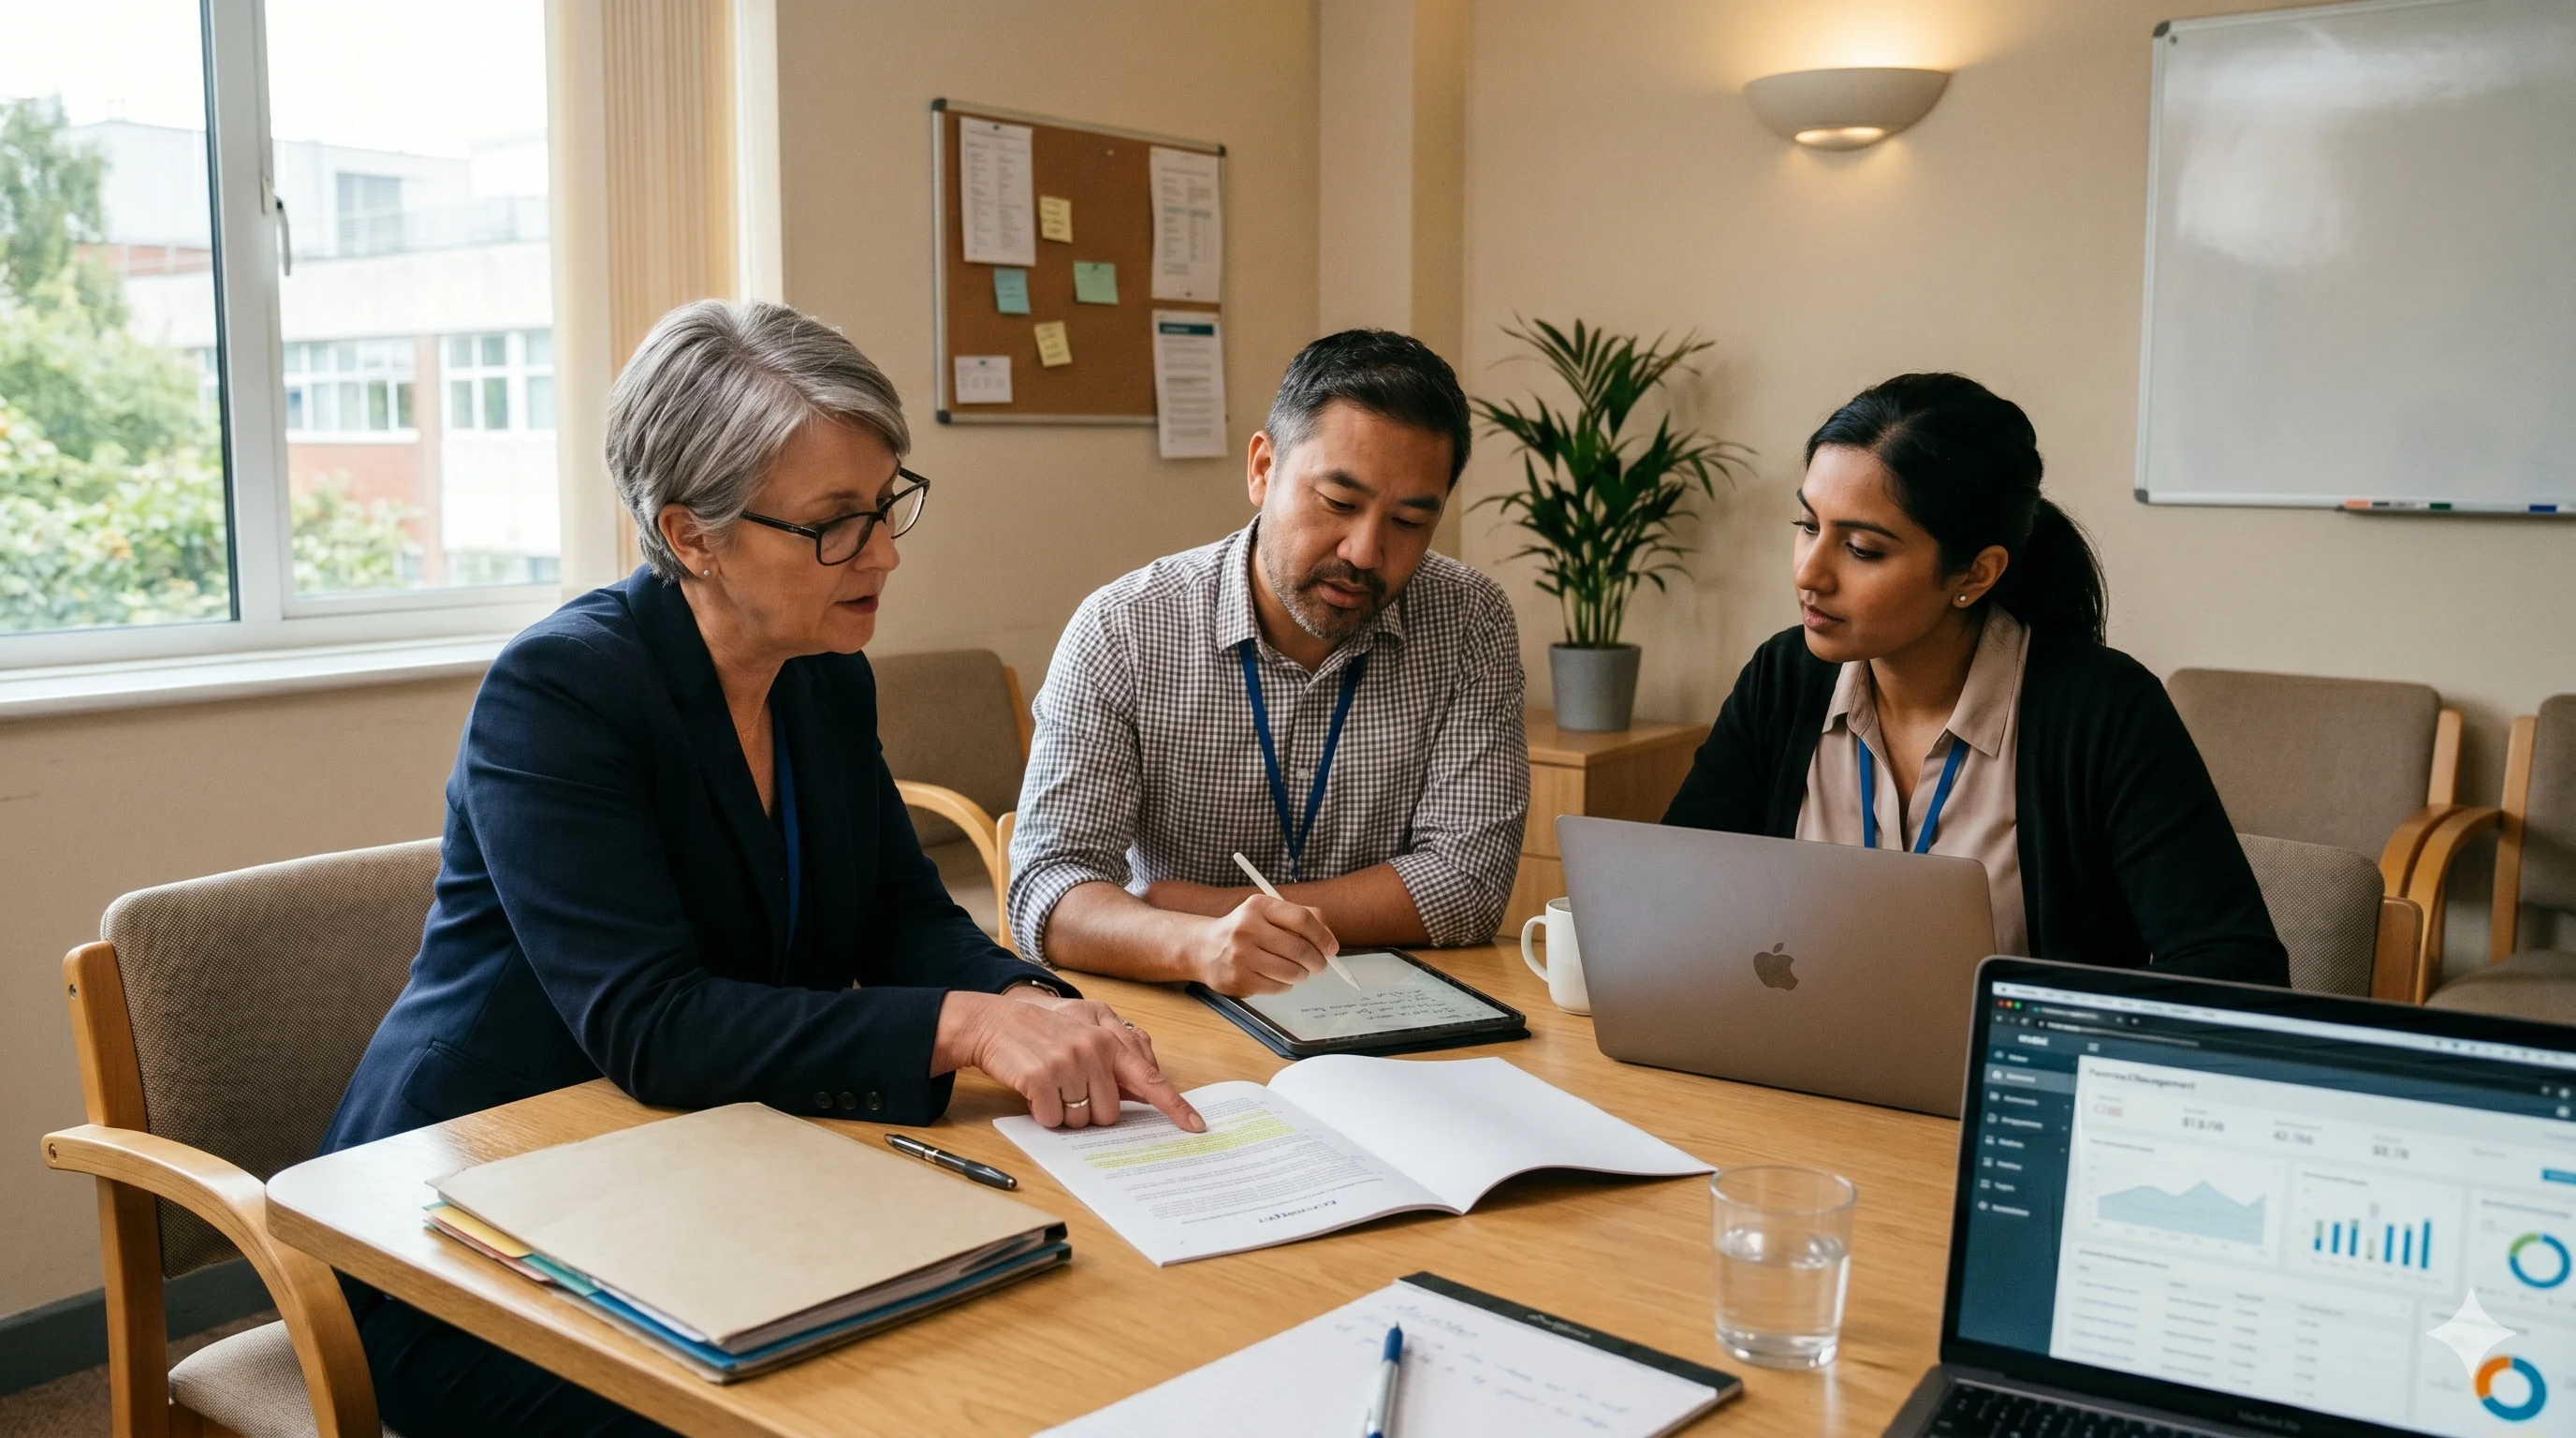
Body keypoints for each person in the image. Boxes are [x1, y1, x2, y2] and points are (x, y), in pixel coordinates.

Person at [319, 300, 1202, 1438]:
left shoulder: (821, 671)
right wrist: (970, 1031)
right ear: (691, 536)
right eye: (835, 523)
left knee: (989, 1346)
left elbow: (898, 915)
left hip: (686, 1173)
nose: (881, 553)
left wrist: (1028, 999)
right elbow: (652, 1023)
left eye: (886, 506)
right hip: (468, 1210)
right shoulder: (560, 694)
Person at [1661, 373, 2287, 985]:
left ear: (1975, 575)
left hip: (2010, 1081)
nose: (1810, 573)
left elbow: (2235, 968)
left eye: (1863, 549)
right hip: (1794, 1068)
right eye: (1808, 526)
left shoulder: (2103, 710)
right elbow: (1676, 889)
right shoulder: (1784, 678)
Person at [1008, 330, 1528, 994]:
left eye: (1408, 523)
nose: (1366, 551)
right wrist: (1198, 945)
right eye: (1339, 503)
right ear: (1262, 469)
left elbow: (1468, 885)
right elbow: (1047, 892)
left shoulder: (1468, 620)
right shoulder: (1125, 628)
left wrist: (1205, 907)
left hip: (1387, 1010)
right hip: (1178, 999)